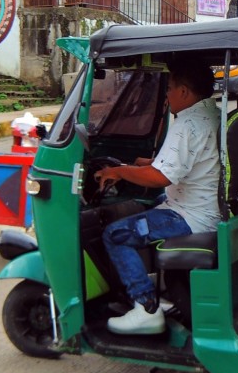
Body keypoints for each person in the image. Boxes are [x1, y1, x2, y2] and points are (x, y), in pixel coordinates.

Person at [95, 59, 221, 335]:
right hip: (206, 209)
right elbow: (181, 163)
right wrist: (144, 163)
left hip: (190, 217)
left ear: (185, 93)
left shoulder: (187, 124)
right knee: (144, 209)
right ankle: (154, 296)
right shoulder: (212, 114)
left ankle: (146, 308)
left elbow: (160, 178)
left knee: (116, 235)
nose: (166, 95)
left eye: (170, 89)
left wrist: (119, 171)